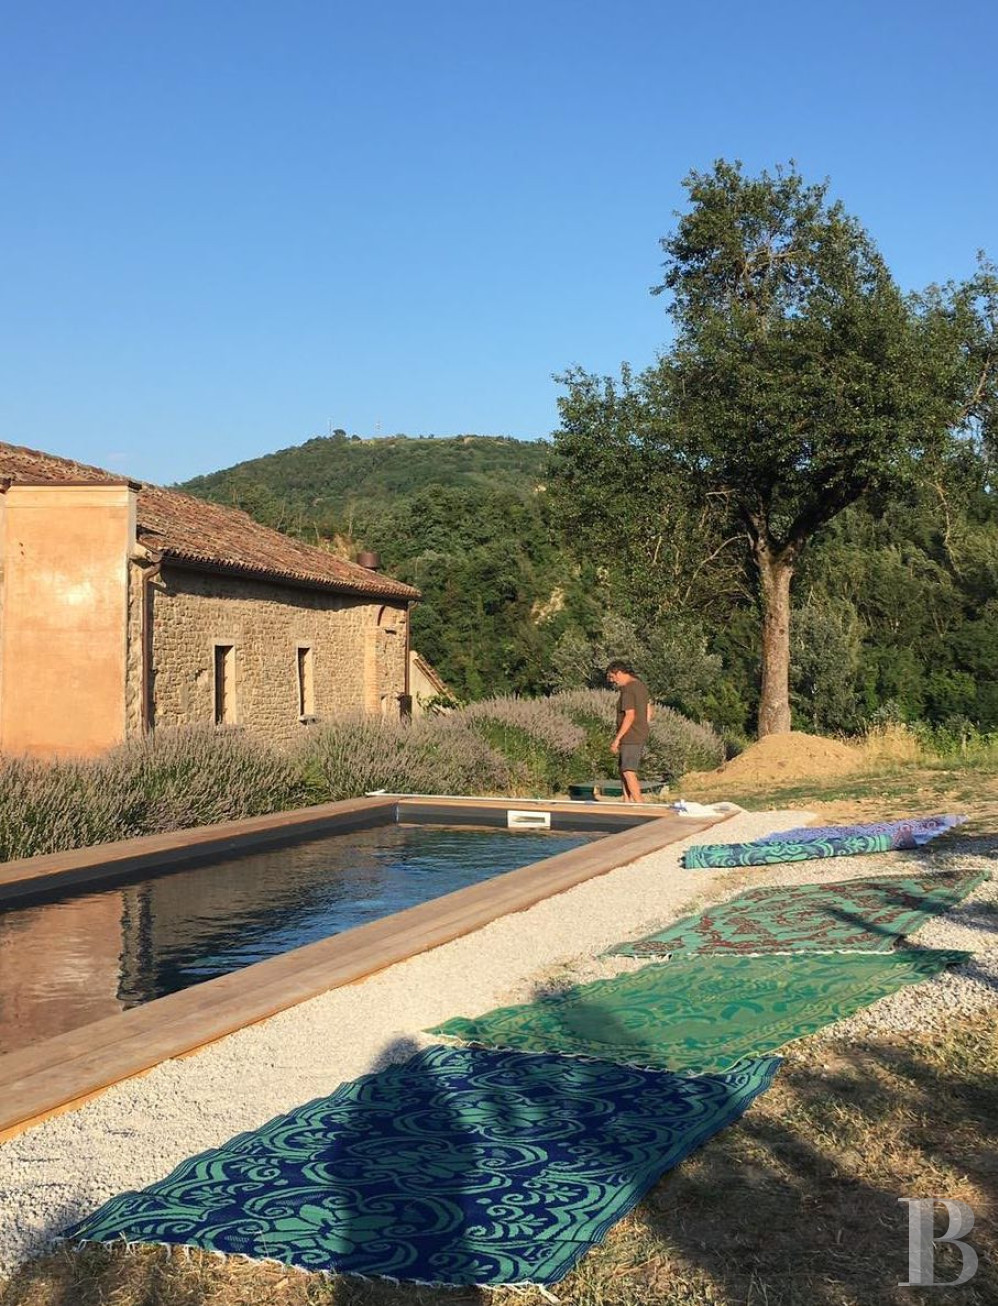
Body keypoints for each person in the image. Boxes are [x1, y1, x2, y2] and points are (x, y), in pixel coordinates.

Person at [605, 660, 652, 802]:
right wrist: (644, 724)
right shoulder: (640, 685)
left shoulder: (628, 689)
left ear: (619, 673)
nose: (613, 682)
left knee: (628, 771)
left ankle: (640, 804)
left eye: (613, 678)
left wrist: (617, 739)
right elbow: (649, 707)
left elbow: (629, 715)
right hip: (638, 732)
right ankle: (627, 801)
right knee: (623, 769)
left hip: (630, 735)